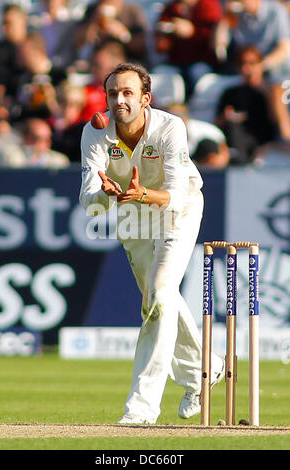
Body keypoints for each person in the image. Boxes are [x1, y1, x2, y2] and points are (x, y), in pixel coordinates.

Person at [79, 63, 224, 424]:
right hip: (132, 214)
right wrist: (107, 196)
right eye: (113, 93)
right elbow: (88, 200)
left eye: (128, 93)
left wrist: (142, 192)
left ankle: (141, 409)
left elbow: (175, 195)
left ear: (146, 98)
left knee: (160, 293)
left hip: (178, 210)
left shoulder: (170, 127)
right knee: (157, 301)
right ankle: (205, 371)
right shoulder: (95, 132)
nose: (119, 100)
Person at [214, 0, 290, 139]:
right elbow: (219, 49)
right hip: (246, 67)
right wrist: (225, 19)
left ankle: (284, 135)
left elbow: (284, 49)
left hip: (275, 69)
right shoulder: (238, 15)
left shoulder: (276, 11)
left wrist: (260, 66)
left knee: (275, 88)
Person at [215, 45, 277, 163]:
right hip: (238, 140)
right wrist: (227, 117)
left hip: (264, 141)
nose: (247, 69)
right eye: (242, 64)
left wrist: (267, 93)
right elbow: (218, 122)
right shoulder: (230, 93)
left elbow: (276, 121)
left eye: (252, 63)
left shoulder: (272, 92)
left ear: (261, 65)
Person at [154, 0, 223, 97]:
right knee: (161, 73)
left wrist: (193, 32)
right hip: (176, 62)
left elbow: (214, 38)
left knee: (198, 72)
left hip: (203, 60)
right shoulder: (172, 8)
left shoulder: (208, 5)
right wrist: (165, 36)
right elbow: (161, 46)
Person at [74, 0, 148, 65]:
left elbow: (141, 46)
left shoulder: (132, 10)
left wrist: (123, 34)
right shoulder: (92, 10)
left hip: (127, 62)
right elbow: (78, 42)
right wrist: (94, 22)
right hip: (97, 64)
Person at [166, 103, 231, 168]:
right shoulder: (161, 134)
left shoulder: (210, 131)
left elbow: (223, 155)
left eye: (179, 115)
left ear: (187, 117)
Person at [0, 4, 28, 99]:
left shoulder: (35, 46)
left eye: (9, 23)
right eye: (3, 23)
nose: (5, 28)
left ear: (22, 21)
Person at [0, 118, 69, 168]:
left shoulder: (59, 161)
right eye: (41, 139)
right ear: (28, 138)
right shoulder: (10, 156)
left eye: (49, 138)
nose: (48, 143)